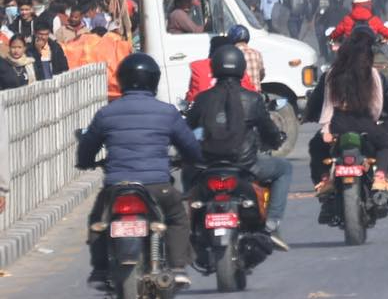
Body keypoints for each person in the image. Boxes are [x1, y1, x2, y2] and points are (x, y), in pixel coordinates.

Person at [77, 54, 203, 288]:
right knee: (177, 217)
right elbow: (190, 146)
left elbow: (87, 146)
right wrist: (194, 160)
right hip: (158, 186)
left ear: (122, 80)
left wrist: (84, 162)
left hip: (117, 187)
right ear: (154, 80)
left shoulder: (106, 113)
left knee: (98, 220)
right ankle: (177, 267)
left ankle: (100, 270)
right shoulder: (167, 112)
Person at [186, 42, 291, 241]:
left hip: (208, 165)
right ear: (242, 68)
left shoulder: (202, 99)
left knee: (187, 172)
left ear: (214, 67)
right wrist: (276, 140)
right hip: (246, 165)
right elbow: (267, 129)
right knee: (284, 168)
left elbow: (186, 130)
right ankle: (272, 222)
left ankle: (190, 219)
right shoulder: (252, 99)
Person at [312, 27, 388, 196]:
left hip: (339, 122)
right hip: (364, 121)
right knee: (385, 145)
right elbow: (377, 104)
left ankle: (325, 179)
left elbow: (328, 104)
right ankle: (380, 176)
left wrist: (326, 128)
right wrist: (374, 121)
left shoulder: (332, 73)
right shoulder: (372, 73)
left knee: (317, 146)